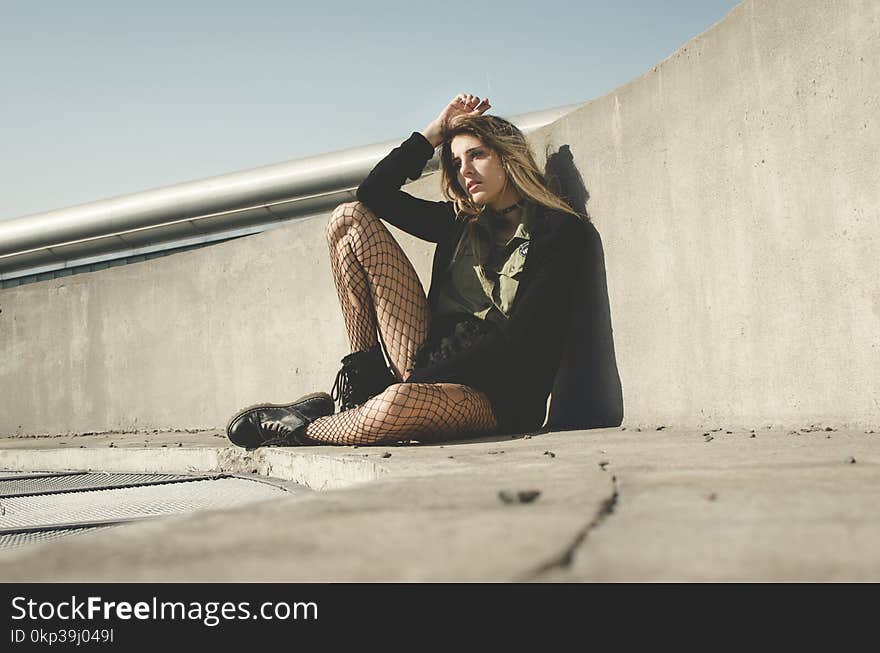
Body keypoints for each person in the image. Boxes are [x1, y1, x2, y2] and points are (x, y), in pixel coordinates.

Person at [226, 93, 588, 448]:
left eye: (477, 155)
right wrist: (432, 133)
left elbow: (520, 342)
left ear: (507, 158)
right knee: (348, 219)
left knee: (397, 403)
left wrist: (418, 382)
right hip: (429, 357)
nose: (465, 171)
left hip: (494, 395)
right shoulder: (460, 222)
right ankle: (362, 388)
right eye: (457, 161)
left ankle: (302, 429)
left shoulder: (556, 231)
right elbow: (374, 193)